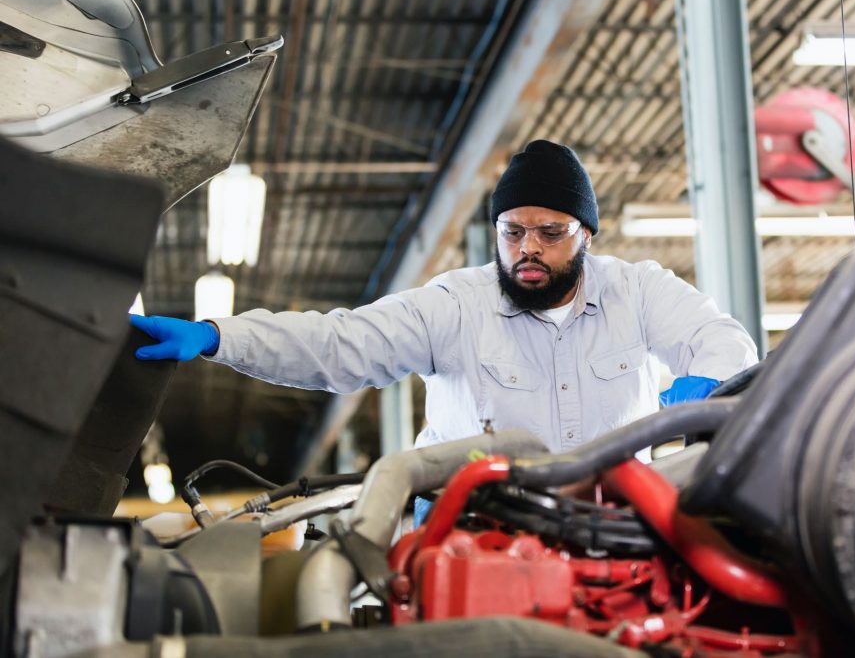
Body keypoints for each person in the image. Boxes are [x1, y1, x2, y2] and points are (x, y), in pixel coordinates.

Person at [132, 139, 758, 469]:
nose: (528, 248)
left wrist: (711, 383)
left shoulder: (638, 291)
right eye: (512, 231)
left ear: (586, 235)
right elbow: (341, 343)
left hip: (614, 535)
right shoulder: (456, 306)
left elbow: (719, 338)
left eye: (550, 232)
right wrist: (218, 336)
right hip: (477, 534)